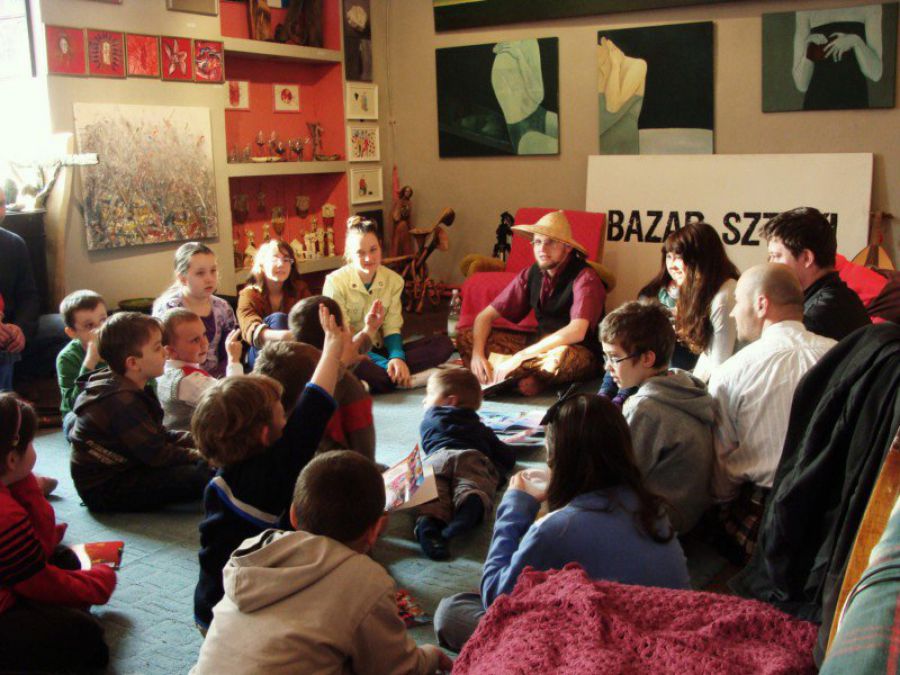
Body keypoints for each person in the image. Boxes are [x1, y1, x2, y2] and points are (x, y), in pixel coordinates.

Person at [433, 394, 690, 652]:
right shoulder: (652, 509)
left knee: (452, 612)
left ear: (558, 461)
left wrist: (513, 507)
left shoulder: (556, 529)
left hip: (607, 652)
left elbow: (495, 598)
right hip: (667, 638)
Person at [191, 451, 453, 674]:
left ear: (293, 515)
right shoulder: (366, 580)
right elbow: (395, 668)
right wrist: (429, 656)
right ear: (375, 530)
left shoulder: (256, 548)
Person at [192, 304, 343, 632]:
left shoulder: (224, 475)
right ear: (264, 434)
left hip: (207, 608)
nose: (288, 418)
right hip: (238, 620)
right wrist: (332, 346)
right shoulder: (274, 469)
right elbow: (314, 406)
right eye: (281, 414)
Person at [707, 263, 836, 561]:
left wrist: (718, 508)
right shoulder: (843, 353)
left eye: (738, 301)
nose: (732, 312)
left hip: (768, 514)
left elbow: (722, 477)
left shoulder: (731, 372)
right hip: (835, 516)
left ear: (761, 304)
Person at [0, 394, 116, 672]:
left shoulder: (10, 488)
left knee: (65, 558)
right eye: (32, 443)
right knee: (86, 638)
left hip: (15, 580)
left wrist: (26, 482)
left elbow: (41, 545)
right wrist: (100, 580)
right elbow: (40, 582)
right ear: (12, 459)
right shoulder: (6, 515)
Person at [69, 312, 211, 512]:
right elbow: (158, 454)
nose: (165, 353)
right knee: (201, 475)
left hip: (133, 461)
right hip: (106, 487)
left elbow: (159, 435)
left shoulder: (131, 385)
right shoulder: (121, 401)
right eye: (157, 348)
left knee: (202, 463)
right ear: (133, 363)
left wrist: (203, 441)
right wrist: (202, 455)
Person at [599, 300, 715, 534]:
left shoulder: (645, 408)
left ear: (647, 359)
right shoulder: (683, 383)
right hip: (687, 514)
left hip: (660, 523)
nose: (607, 367)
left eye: (614, 357)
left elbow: (616, 476)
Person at [463, 210, 606, 395]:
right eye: (538, 242)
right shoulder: (531, 273)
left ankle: (518, 376)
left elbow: (577, 331)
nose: (542, 249)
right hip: (538, 346)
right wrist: (477, 355)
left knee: (559, 358)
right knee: (467, 337)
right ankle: (522, 378)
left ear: (567, 248)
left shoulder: (585, 277)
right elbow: (484, 317)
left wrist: (521, 356)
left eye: (551, 242)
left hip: (578, 351)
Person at [323, 216, 454, 394]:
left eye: (373, 250)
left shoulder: (393, 280)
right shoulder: (335, 283)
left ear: (380, 247)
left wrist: (397, 358)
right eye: (360, 253)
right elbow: (345, 341)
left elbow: (392, 327)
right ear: (349, 254)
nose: (368, 258)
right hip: (353, 354)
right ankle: (404, 377)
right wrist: (387, 364)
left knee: (443, 344)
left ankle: (390, 377)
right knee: (367, 371)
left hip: (380, 348)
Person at [415, 369, 516, 560]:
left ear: (450, 401)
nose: (424, 401)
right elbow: (507, 457)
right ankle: (468, 512)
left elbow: (427, 446)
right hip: (471, 458)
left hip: (437, 458)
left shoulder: (427, 421)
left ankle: (429, 525)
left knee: (433, 493)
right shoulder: (479, 427)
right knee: (473, 485)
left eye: (429, 395)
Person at [762, 206, 870, 341]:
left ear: (807, 258)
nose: (771, 264)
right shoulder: (840, 298)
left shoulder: (815, 318)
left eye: (776, 256)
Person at [659, 222, 741, 383]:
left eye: (678, 257)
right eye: (669, 256)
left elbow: (720, 367)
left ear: (700, 258)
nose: (671, 266)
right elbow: (708, 355)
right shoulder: (703, 290)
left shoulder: (724, 296)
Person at [152, 242, 236, 378]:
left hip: (218, 378)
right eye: (200, 273)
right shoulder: (168, 308)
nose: (209, 279)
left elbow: (229, 350)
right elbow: (162, 355)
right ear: (182, 278)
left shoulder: (223, 307)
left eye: (213, 271)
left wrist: (220, 378)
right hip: (181, 379)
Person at [157, 308, 243, 432]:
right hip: (197, 440)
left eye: (204, 334)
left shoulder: (165, 369)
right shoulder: (188, 380)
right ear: (170, 351)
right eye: (195, 340)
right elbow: (235, 401)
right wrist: (233, 359)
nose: (205, 343)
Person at [793, 5, 885, 110]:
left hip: (854, 102)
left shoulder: (871, 6)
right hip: (817, 104)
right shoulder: (804, 8)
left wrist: (856, 41)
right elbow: (801, 84)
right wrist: (808, 52)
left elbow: (876, 73)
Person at [236, 239, 311, 367]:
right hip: (260, 355)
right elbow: (249, 327)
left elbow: (312, 318)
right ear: (262, 264)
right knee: (278, 319)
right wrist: (284, 336)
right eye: (275, 259)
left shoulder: (300, 289)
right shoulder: (248, 294)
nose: (281, 264)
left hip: (295, 352)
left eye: (286, 259)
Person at [0, 187, 39, 392]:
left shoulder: (14, 244)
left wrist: (21, 328)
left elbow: (29, 296)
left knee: (65, 329)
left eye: (1, 204)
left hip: (12, 325)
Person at [56, 290, 108, 439]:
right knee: (79, 423)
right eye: (89, 325)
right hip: (80, 414)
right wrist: (90, 361)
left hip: (114, 406)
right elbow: (73, 404)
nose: (100, 330)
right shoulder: (67, 358)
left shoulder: (118, 345)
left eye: (103, 320)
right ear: (72, 332)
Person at [597, 36, 647, 155]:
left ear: (607, 43)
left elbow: (612, 106)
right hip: (597, 151)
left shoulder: (637, 65)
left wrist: (615, 66)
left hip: (623, 151)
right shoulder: (597, 69)